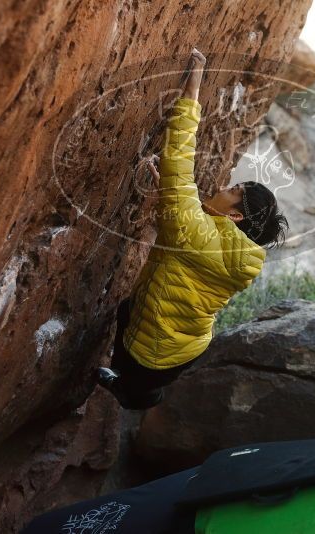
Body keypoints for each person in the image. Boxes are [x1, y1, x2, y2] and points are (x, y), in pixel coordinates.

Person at [98, 48, 289, 409]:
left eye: (232, 192)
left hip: (151, 351)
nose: (222, 187)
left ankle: (130, 393)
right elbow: (195, 229)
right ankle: (140, 390)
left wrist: (193, 88)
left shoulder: (196, 233)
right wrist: (169, 193)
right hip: (186, 346)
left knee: (132, 384)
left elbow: (179, 161)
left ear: (235, 218)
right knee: (127, 312)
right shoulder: (243, 253)